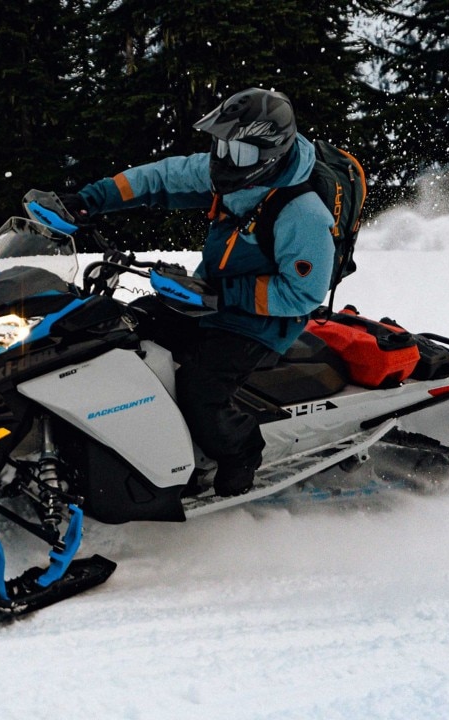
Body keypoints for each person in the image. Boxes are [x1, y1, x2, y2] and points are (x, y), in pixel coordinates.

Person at [59, 88, 335, 497]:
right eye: (221, 146)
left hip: (262, 321)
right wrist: (89, 200)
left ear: (271, 153)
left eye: (238, 151)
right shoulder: (237, 174)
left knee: (201, 391)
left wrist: (221, 297)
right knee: (126, 329)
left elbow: (302, 294)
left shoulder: (304, 214)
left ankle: (241, 452)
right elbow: (161, 177)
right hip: (209, 296)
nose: (224, 159)